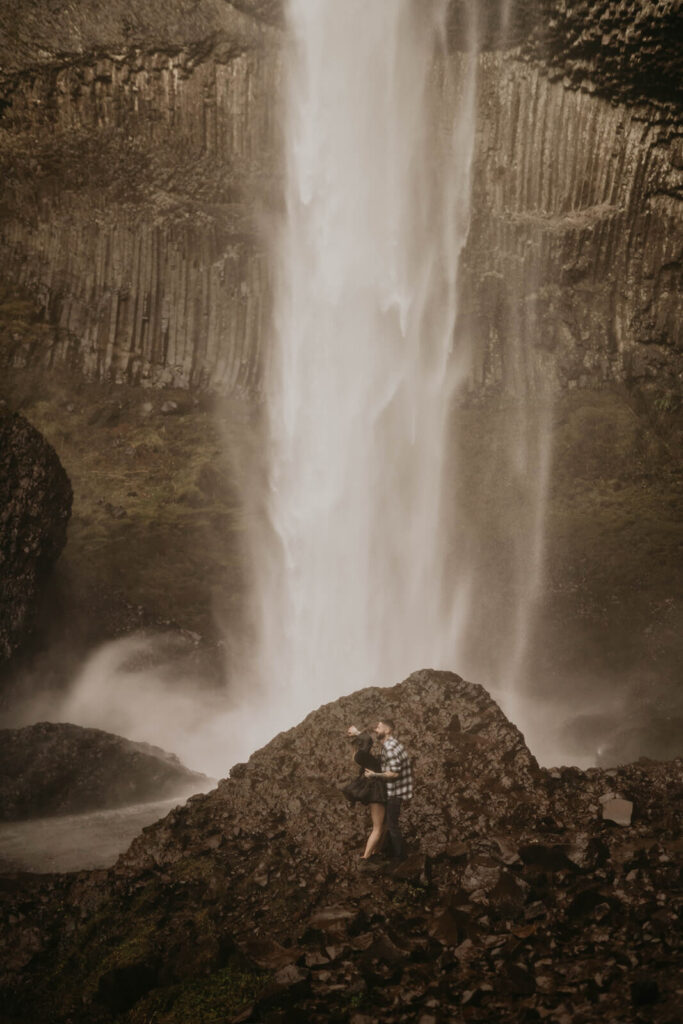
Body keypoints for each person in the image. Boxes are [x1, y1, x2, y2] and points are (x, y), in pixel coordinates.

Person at [363, 717, 412, 862]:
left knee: (392, 825)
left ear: (388, 730)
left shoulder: (390, 748)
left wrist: (374, 775)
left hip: (395, 791)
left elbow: (395, 773)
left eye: (379, 727)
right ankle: (395, 853)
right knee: (390, 823)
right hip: (399, 790)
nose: (376, 730)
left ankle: (400, 857)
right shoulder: (393, 744)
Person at [343, 726, 387, 860]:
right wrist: (357, 732)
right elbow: (368, 740)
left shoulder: (361, 757)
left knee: (385, 825)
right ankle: (366, 856)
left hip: (377, 789)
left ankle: (375, 853)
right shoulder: (361, 755)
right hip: (376, 792)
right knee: (378, 827)